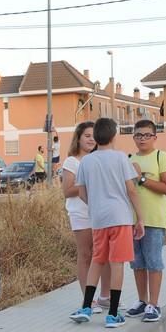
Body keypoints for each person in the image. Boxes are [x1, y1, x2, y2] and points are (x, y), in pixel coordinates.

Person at [69, 118, 144, 327]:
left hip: (98, 218)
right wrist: (140, 218)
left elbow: (82, 192)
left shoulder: (87, 161)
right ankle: (112, 313)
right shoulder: (120, 158)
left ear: (96, 137)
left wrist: (95, 204)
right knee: (117, 263)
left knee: (97, 260)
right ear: (114, 135)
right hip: (119, 217)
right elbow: (131, 190)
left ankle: (86, 306)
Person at [126, 119, 166, 323]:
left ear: (155, 137)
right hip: (132, 220)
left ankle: (154, 305)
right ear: (133, 137)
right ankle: (141, 300)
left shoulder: (161, 156)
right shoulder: (128, 159)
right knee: (137, 262)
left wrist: (142, 179)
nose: (142, 139)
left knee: (153, 262)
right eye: (138, 135)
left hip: (154, 220)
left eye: (147, 135)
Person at [61, 121, 112, 311]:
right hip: (81, 213)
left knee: (105, 254)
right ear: (79, 138)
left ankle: (105, 296)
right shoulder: (72, 161)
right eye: (87, 136)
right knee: (86, 254)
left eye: (94, 136)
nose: (91, 139)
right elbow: (67, 190)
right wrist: (89, 183)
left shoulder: (100, 159)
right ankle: (88, 300)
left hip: (101, 213)